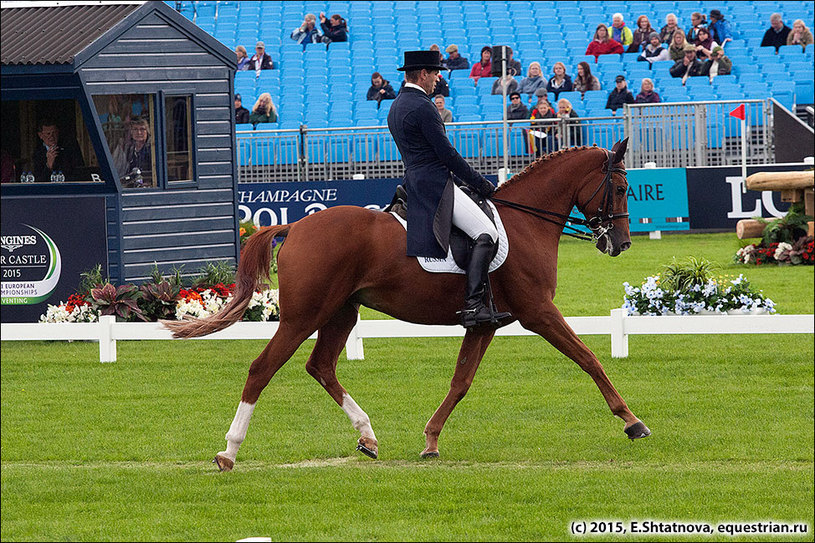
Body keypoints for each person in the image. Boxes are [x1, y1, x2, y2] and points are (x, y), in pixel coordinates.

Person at [386, 50, 510, 328]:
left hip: (414, 181)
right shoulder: (422, 105)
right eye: (435, 73)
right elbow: (447, 155)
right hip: (436, 184)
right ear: (422, 75)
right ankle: (473, 306)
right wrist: (480, 182)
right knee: (486, 232)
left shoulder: (396, 105)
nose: (438, 78)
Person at [112, 117, 152, 187]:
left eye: (142, 129)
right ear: (131, 132)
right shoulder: (128, 148)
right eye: (135, 129)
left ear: (147, 131)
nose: (139, 132)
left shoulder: (152, 148)